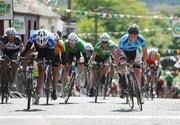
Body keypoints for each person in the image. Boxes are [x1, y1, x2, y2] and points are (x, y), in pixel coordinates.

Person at [20, 29, 55, 104]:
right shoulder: (33, 37)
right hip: (36, 47)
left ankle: (38, 93)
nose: (41, 46)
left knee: (41, 69)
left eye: (42, 45)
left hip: (47, 50)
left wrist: (46, 62)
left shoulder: (51, 40)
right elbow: (26, 49)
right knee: (27, 53)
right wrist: (21, 56)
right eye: (40, 44)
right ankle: (24, 71)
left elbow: (51, 56)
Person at [116, 24, 148, 98]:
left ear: (138, 35)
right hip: (124, 52)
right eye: (130, 36)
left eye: (134, 36)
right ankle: (123, 80)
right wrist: (118, 65)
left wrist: (144, 62)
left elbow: (145, 52)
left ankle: (138, 89)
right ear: (128, 35)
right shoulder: (124, 40)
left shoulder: (141, 39)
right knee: (123, 65)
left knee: (137, 70)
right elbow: (117, 54)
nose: (132, 38)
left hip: (135, 52)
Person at [60, 32, 88, 97]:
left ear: (77, 42)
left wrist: (85, 63)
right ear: (69, 41)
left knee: (81, 61)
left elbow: (84, 55)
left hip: (78, 54)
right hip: (69, 54)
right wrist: (63, 62)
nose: (72, 45)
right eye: (71, 44)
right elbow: (63, 54)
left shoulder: (80, 44)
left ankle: (77, 76)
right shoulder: (65, 44)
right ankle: (63, 87)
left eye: (74, 44)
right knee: (66, 68)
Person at [90, 32, 116, 97]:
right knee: (94, 73)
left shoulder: (111, 45)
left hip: (106, 57)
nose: (104, 44)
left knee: (107, 64)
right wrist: (92, 62)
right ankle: (91, 88)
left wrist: (116, 59)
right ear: (100, 41)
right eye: (103, 42)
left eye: (106, 42)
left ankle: (104, 76)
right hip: (98, 57)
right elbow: (93, 57)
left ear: (108, 41)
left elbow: (116, 52)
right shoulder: (97, 46)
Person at [51, 33, 66, 100]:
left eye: (56, 41)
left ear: (58, 41)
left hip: (56, 56)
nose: (55, 43)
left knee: (55, 73)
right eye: (53, 41)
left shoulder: (61, 44)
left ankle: (54, 91)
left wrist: (63, 63)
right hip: (49, 54)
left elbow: (63, 55)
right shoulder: (49, 42)